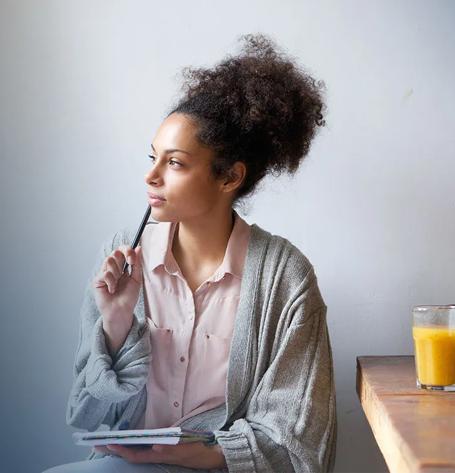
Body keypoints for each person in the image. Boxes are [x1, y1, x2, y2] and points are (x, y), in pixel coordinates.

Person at [43, 34, 336, 473]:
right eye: (153, 157)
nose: (151, 175)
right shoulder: (123, 258)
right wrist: (117, 323)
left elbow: (299, 439)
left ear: (229, 177)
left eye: (175, 163)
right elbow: (85, 416)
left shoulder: (285, 277)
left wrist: (210, 454)